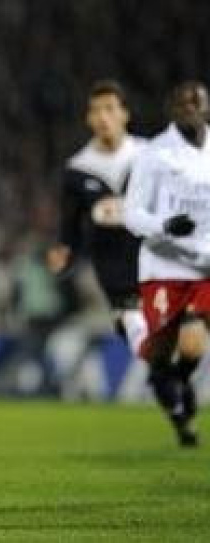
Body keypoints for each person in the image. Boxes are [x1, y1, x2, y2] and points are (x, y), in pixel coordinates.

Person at [124, 80, 210, 447]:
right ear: (172, 109)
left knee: (192, 347)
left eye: (197, 101)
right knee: (159, 354)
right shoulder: (154, 153)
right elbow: (131, 214)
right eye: (183, 101)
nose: (190, 106)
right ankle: (170, 385)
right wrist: (164, 225)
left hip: (204, 265)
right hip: (164, 266)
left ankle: (181, 380)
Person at [46, 80, 148, 381]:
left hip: (159, 266)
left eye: (110, 109)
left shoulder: (150, 157)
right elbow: (69, 230)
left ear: (125, 114)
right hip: (114, 274)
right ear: (89, 119)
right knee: (141, 339)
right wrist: (63, 255)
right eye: (96, 110)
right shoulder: (77, 170)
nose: (103, 117)